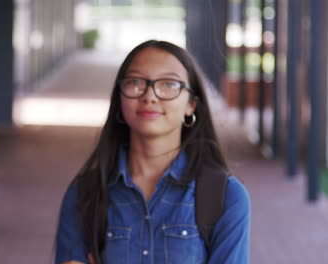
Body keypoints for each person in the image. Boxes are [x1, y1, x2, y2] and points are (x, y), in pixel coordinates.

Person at [54, 40, 251, 264]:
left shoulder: (225, 196)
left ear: (191, 105)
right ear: (120, 99)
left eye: (169, 84)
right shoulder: (85, 193)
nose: (150, 96)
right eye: (136, 82)